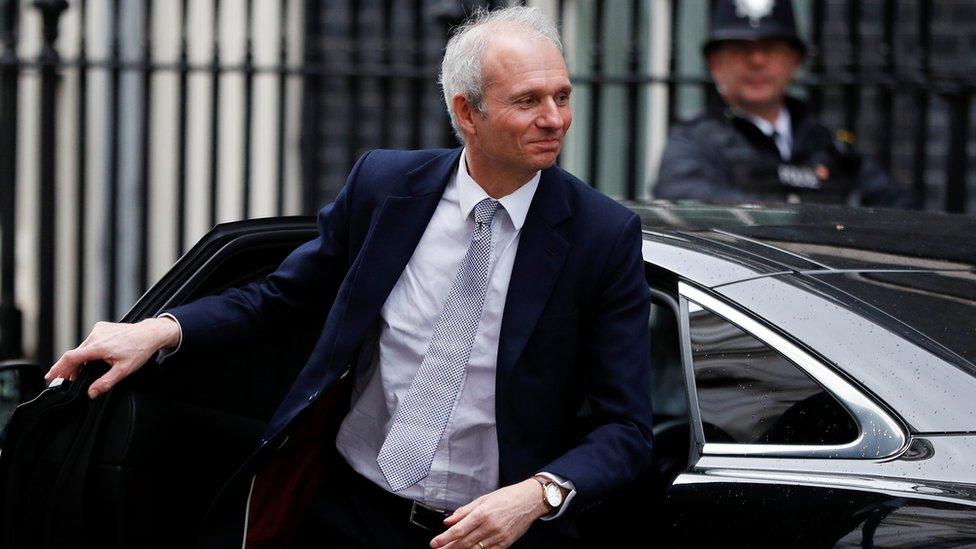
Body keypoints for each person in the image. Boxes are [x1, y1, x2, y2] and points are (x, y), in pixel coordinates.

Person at [46, 7, 653, 548]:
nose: (555, 119)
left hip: (492, 535)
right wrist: (159, 330)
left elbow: (626, 428)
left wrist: (540, 494)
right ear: (468, 111)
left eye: (562, 96)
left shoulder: (601, 236)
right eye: (529, 100)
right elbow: (281, 300)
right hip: (350, 514)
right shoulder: (386, 188)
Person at [653, 0, 919, 208]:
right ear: (714, 64)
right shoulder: (694, 139)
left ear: (795, 60)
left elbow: (898, 208)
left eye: (770, 48)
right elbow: (683, 201)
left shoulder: (825, 140)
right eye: (741, 49)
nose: (757, 61)